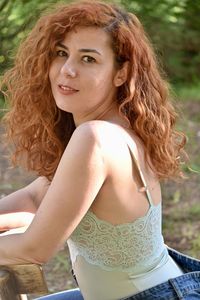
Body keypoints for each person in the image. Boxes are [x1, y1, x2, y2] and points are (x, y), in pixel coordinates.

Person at [0, 1, 200, 299]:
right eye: (61, 53)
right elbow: (36, 197)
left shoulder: (96, 137)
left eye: (88, 59)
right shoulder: (110, 128)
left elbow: (35, 248)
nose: (67, 70)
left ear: (121, 73)